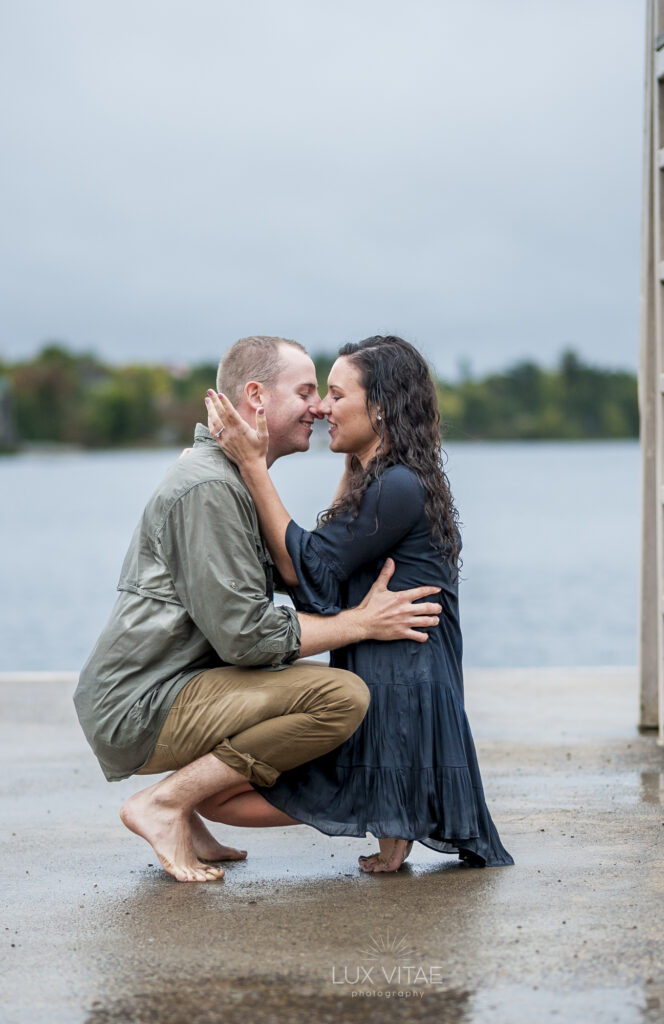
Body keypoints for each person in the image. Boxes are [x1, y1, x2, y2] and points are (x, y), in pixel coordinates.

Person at [74, 335, 443, 883]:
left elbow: (305, 574)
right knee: (339, 698)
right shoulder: (208, 488)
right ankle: (165, 803)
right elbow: (246, 638)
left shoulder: (225, 480)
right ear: (256, 397)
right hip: (138, 705)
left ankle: (187, 815)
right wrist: (360, 625)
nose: (318, 407)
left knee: (302, 697)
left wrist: (353, 462)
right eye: (306, 391)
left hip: (167, 688)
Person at [205, 335, 513, 871]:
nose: (322, 407)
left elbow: (314, 571)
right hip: (397, 685)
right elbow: (319, 579)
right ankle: (394, 826)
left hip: (399, 695)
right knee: (224, 796)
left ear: (380, 407)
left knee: (219, 798)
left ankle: (391, 819)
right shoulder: (389, 478)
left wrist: (253, 466)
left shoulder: (396, 485)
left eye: (335, 394)